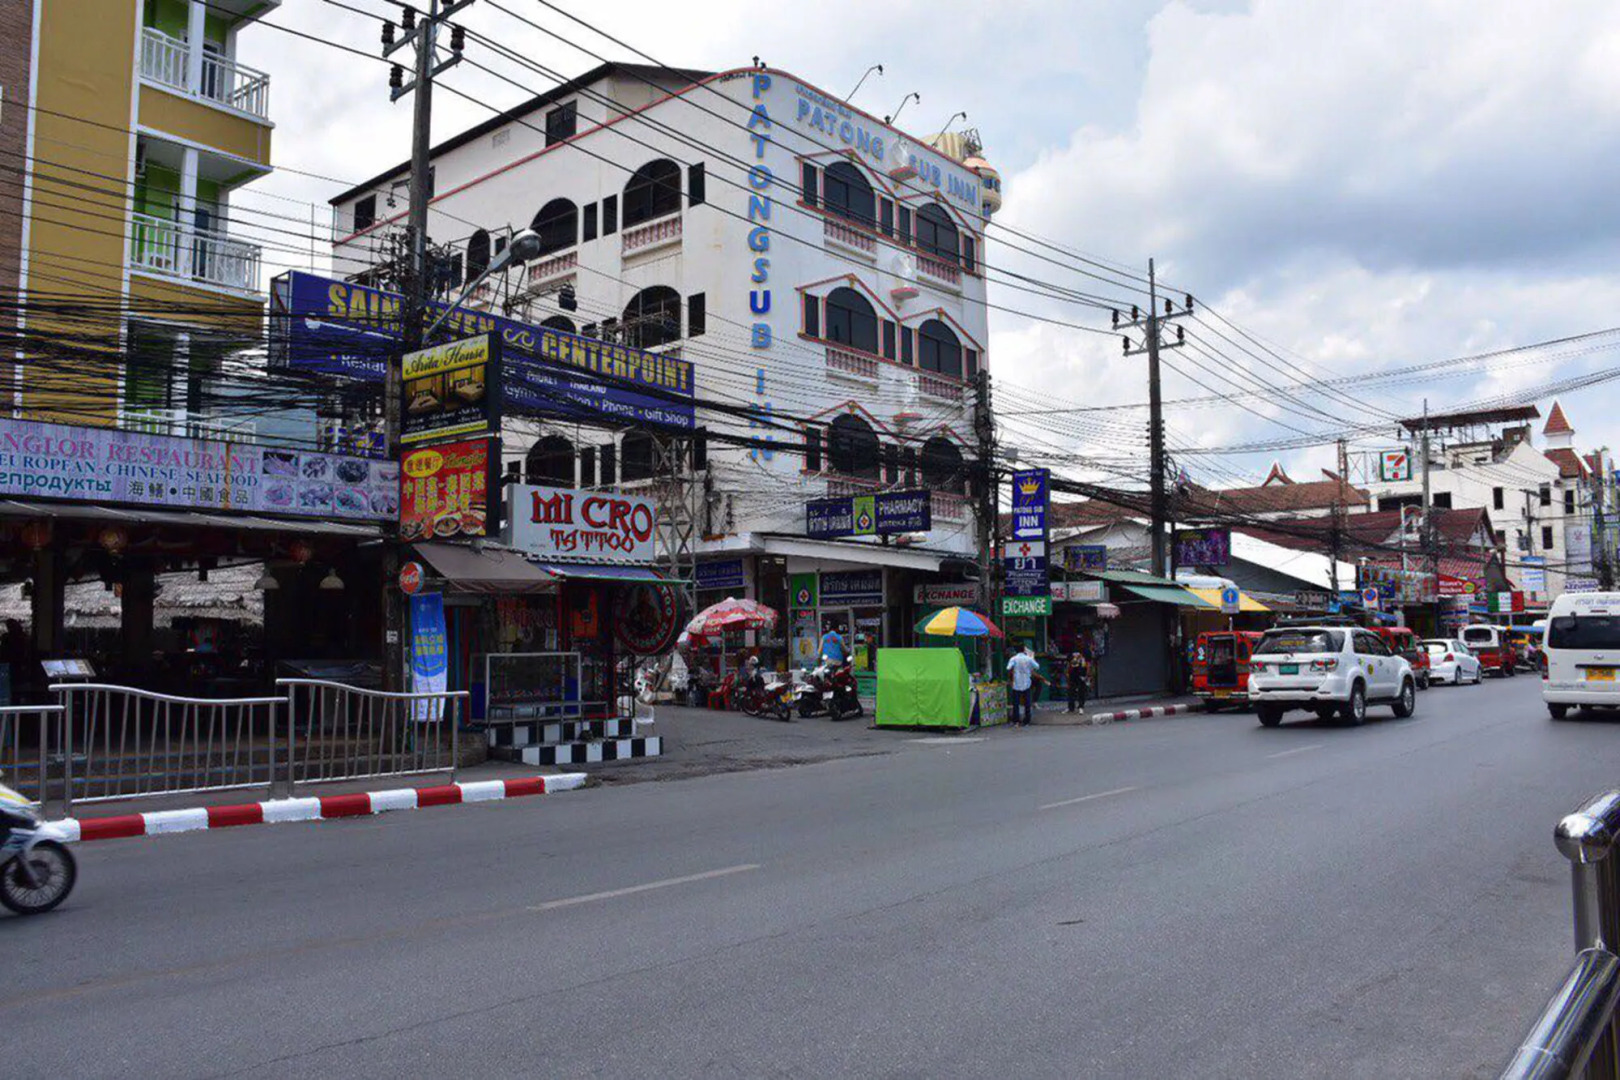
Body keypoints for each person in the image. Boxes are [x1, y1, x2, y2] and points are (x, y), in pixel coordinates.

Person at [1006, 642, 1044, 727]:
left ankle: (1016, 721)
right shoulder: (1028, 659)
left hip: (1016, 683)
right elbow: (1037, 666)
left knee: (1016, 703)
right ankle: (1027, 720)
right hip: (1026, 682)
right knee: (1027, 702)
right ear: (1023, 650)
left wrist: (1011, 678)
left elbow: (1008, 668)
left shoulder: (1013, 659)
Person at [1066, 645, 1090, 713]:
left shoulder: (1086, 651)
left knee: (1081, 690)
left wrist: (1088, 673)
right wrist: (1067, 673)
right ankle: (1071, 707)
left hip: (1082, 673)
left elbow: (1088, 663)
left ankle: (1081, 706)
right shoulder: (1071, 651)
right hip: (1072, 673)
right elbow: (1068, 663)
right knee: (1071, 690)